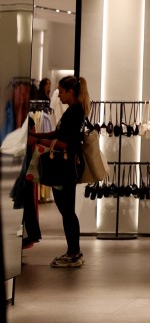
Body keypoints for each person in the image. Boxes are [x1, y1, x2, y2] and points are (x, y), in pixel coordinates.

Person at [34, 75, 89, 267]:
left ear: (71, 92)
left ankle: (73, 253)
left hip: (65, 167)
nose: (58, 96)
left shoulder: (74, 112)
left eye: (61, 91)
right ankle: (73, 251)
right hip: (66, 167)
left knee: (67, 211)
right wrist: (37, 135)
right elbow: (58, 134)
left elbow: (66, 143)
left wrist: (38, 140)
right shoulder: (74, 111)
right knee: (67, 210)